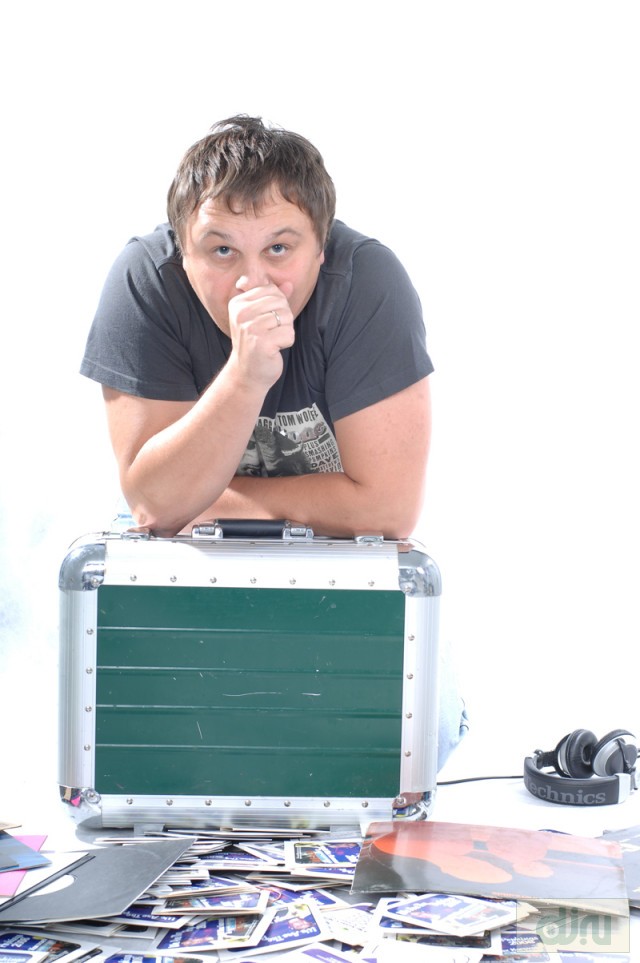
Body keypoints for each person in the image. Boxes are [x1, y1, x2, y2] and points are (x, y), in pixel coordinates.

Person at [81, 114, 467, 768]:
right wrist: (245, 376)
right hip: (191, 593)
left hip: (347, 600)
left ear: (322, 247)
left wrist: (208, 496)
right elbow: (155, 505)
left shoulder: (368, 282)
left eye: (280, 249)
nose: (251, 282)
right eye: (221, 250)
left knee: (420, 751)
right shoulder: (143, 281)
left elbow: (388, 511)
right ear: (181, 250)